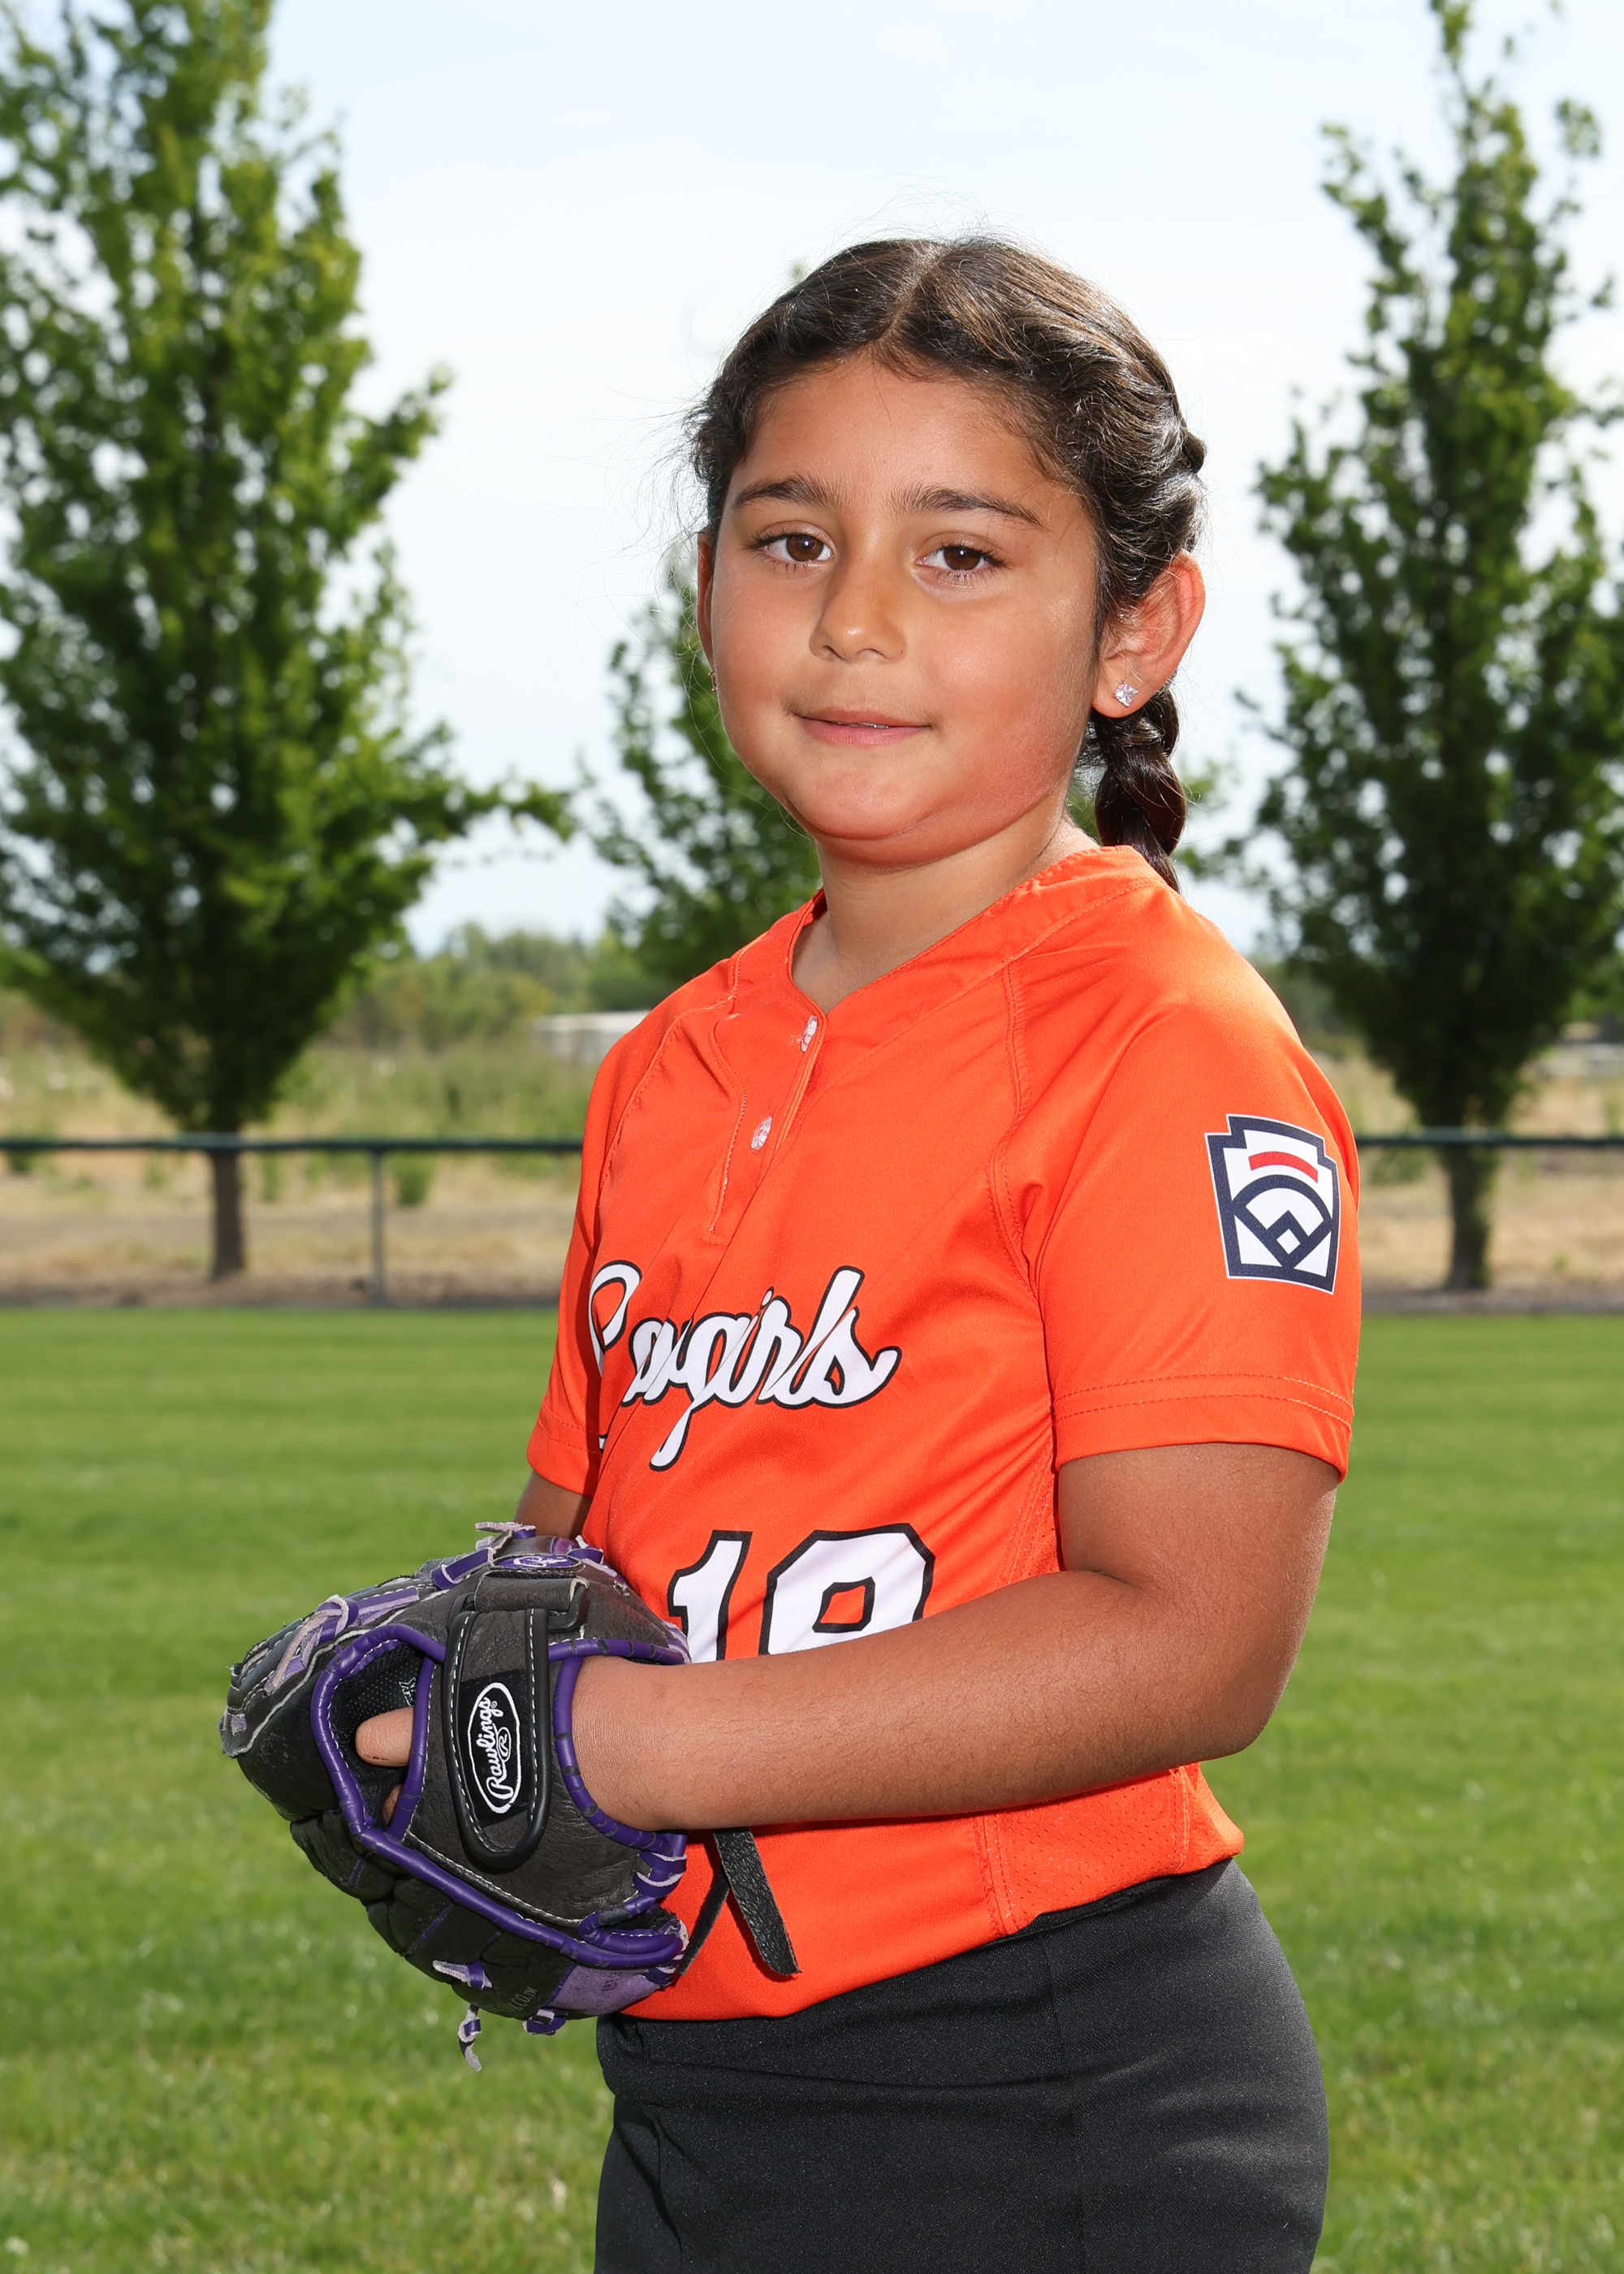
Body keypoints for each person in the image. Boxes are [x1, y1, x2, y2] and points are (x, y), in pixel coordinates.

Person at [361, 236, 1360, 2272]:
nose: (856, 618)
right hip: (704, 2072)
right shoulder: (669, 1061)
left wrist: (625, 1742)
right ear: (704, 584)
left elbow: (1196, 1634)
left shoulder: (1166, 1040)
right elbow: (583, 1543)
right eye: (791, 538)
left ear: (1134, 626)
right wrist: (451, 1691)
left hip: (1045, 2077)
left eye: (961, 552)